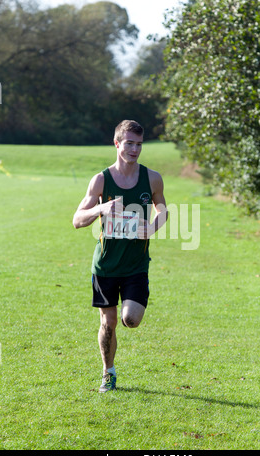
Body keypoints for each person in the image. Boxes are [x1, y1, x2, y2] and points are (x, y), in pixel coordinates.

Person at [73, 120, 168, 392]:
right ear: (117, 144)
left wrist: (151, 228)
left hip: (136, 265)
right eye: (129, 143)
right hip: (105, 266)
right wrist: (100, 209)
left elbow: (163, 209)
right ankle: (108, 372)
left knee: (131, 319)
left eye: (139, 144)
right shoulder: (101, 179)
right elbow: (77, 220)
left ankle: (111, 363)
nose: (134, 149)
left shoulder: (152, 178)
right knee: (109, 322)